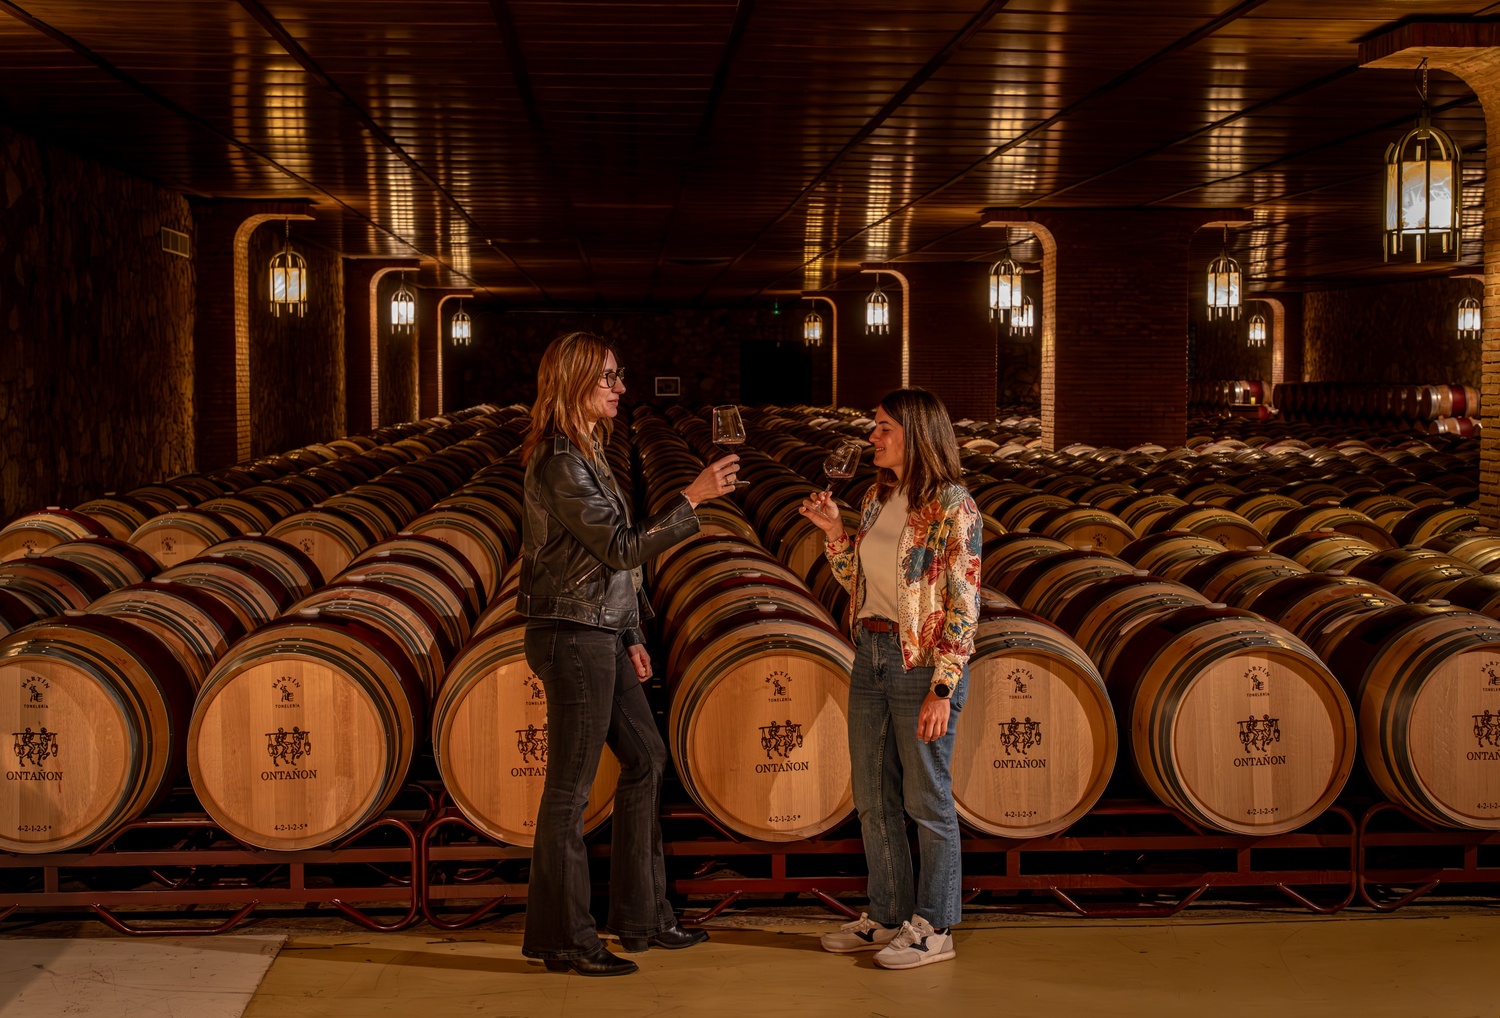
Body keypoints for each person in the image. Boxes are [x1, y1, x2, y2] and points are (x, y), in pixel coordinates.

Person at [518, 332, 739, 977]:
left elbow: (614, 559)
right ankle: (565, 938)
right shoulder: (560, 458)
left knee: (646, 759)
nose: (619, 388)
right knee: (570, 789)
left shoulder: (588, 450)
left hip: (600, 631)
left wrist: (633, 632)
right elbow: (619, 546)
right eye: (607, 377)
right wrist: (691, 499)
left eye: (618, 376)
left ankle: (642, 916)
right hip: (570, 635)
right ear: (574, 383)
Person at [798, 388, 982, 970]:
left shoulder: (953, 505)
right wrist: (834, 531)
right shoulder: (878, 498)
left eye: (882, 427)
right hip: (872, 653)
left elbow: (964, 603)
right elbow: (861, 581)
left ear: (916, 432)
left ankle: (935, 926)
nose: (872, 437)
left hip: (921, 663)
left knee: (927, 800)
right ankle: (887, 914)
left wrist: (943, 686)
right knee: (873, 798)